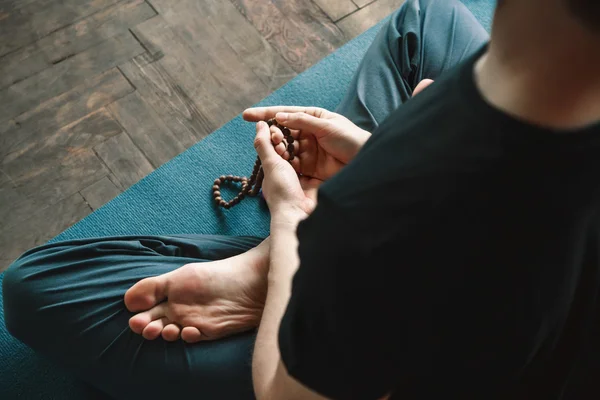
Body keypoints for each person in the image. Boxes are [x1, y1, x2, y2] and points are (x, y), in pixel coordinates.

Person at [3, 0, 600, 398]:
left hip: (444, 355)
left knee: (38, 288)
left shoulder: (409, 205)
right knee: (428, 16)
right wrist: (376, 154)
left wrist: (293, 222)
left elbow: (285, 393)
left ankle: (277, 278)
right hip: (478, 259)